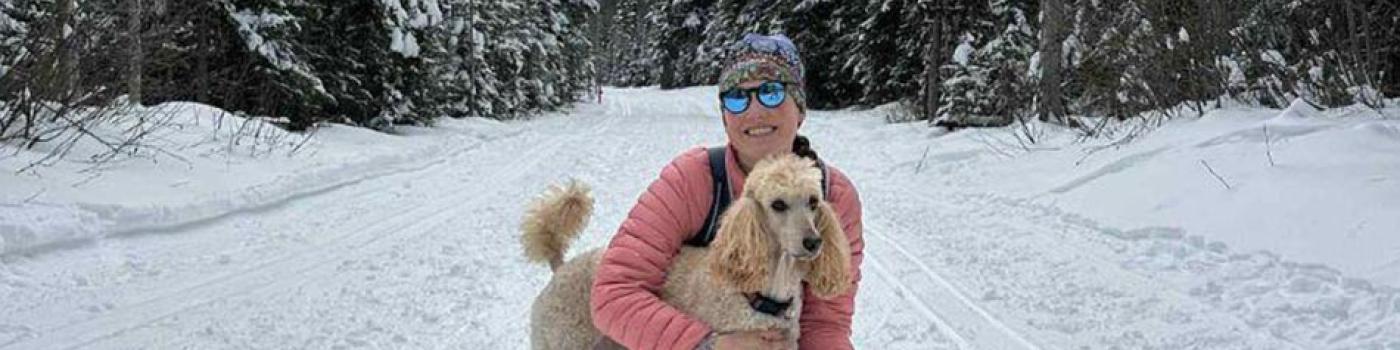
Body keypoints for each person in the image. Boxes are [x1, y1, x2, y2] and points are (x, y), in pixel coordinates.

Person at [589, 33, 865, 350]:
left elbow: (826, 323)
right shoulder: (691, 180)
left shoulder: (834, 195)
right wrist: (708, 345)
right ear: (725, 116)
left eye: (772, 92)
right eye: (737, 97)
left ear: (800, 109)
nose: (754, 111)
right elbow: (614, 292)